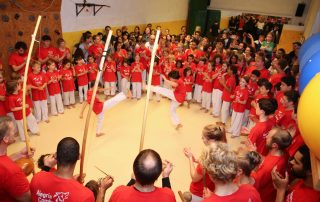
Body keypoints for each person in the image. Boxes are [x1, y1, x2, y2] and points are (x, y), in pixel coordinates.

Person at [30, 137, 95, 201]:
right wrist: (102, 190)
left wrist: (74, 181)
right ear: (78, 157)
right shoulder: (86, 196)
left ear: (55, 155)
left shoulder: (37, 178)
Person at [109, 149, 176, 202]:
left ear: (134, 170)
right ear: (158, 175)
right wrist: (165, 176)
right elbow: (167, 195)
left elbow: (124, 195)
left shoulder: (119, 192)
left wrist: (132, 180)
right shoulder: (168, 195)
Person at [0, 116, 35, 201]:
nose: (15, 132)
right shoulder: (12, 172)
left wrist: (19, 155)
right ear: (6, 139)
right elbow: (28, 199)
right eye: (12, 130)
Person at [252, 127, 292, 202]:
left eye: (268, 136)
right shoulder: (284, 152)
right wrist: (255, 152)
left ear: (274, 145)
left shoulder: (268, 167)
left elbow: (255, 183)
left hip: (262, 197)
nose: (266, 137)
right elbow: (267, 159)